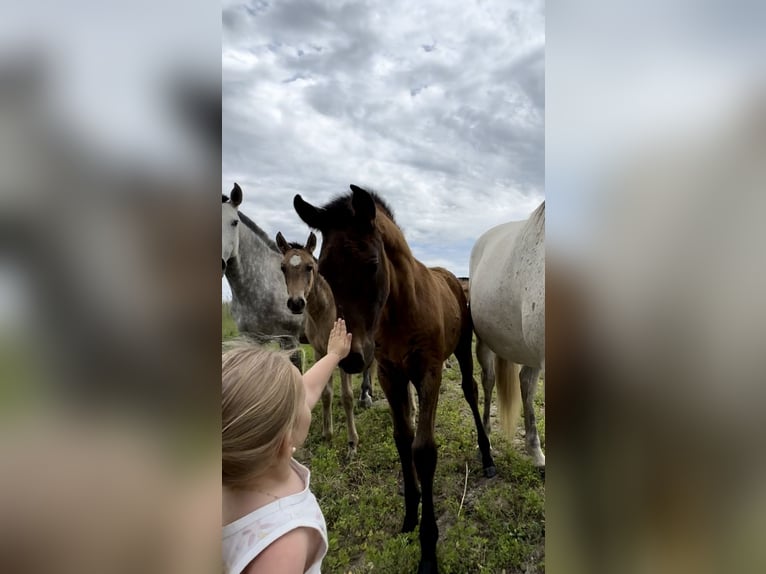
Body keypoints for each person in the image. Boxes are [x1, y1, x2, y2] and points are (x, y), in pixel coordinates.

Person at [222, 319, 352, 574]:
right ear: (285, 439)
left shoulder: (250, 459)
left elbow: (310, 387)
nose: (307, 394)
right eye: (301, 399)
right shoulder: (283, 544)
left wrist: (334, 354)